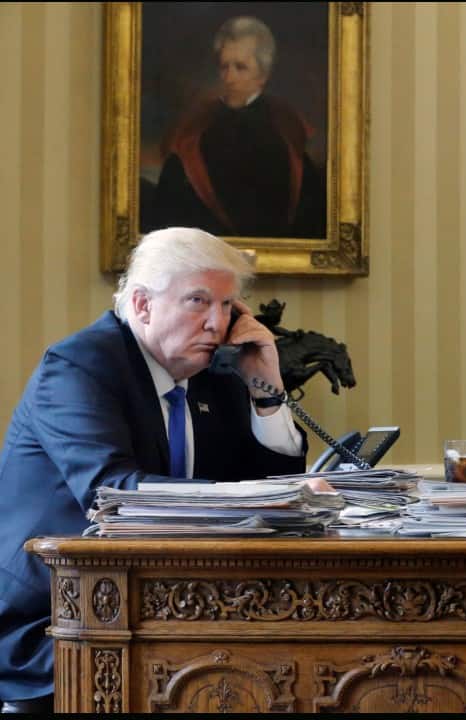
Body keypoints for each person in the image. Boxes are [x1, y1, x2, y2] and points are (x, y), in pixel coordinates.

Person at [0, 227, 310, 713]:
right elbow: (113, 494)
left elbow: (271, 486)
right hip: (54, 622)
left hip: (168, 609)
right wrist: (241, 499)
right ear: (142, 305)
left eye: (229, 306)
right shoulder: (81, 365)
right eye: (198, 301)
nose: (217, 323)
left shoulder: (218, 377)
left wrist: (266, 388)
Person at [149, 16, 326, 239]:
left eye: (240, 68)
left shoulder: (287, 127)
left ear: (263, 75)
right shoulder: (195, 127)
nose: (229, 78)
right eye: (224, 67)